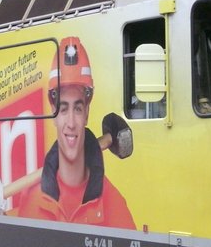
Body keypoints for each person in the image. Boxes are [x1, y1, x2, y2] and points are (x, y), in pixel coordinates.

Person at [16, 37, 134, 228]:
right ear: (53, 114)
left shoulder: (114, 204)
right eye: (63, 109)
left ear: (87, 113)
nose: (71, 123)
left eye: (78, 109)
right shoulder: (31, 199)